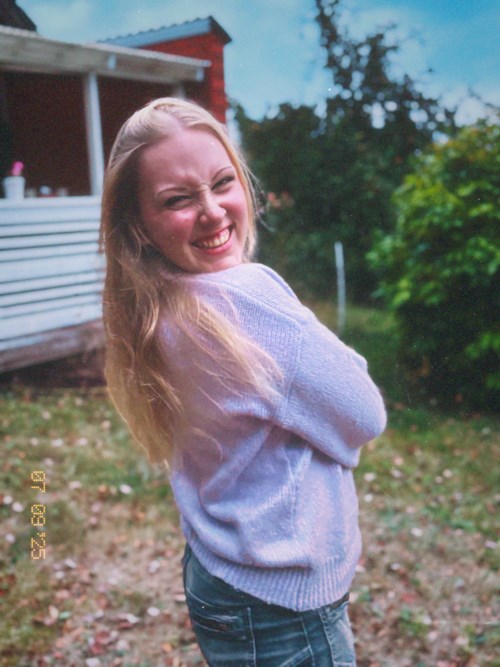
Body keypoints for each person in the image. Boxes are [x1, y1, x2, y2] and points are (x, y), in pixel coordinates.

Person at [100, 97, 387, 666]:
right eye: (178, 199)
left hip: (219, 573)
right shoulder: (248, 300)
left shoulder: (155, 306)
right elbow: (364, 414)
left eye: (222, 182)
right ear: (138, 223)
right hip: (282, 602)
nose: (212, 211)